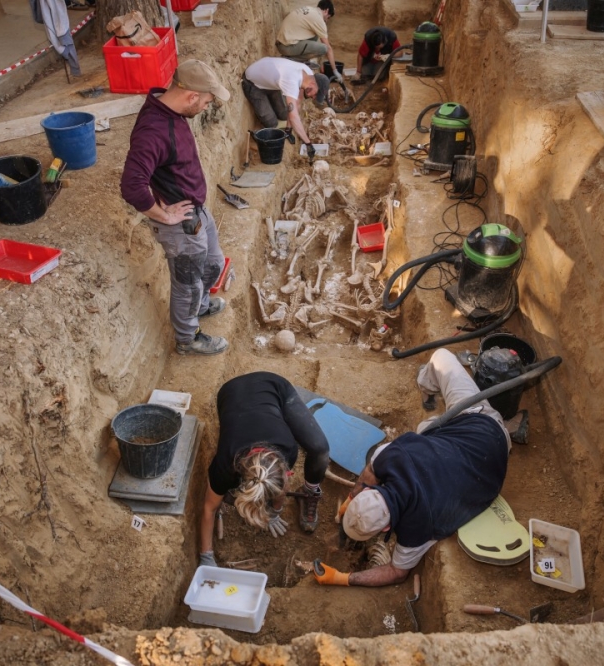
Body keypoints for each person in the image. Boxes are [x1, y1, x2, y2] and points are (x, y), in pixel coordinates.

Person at [314, 348, 511, 587]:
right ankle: (427, 386)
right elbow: (369, 473)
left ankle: (430, 393)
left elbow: (396, 572)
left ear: (387, 527)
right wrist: (351, 501)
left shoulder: (417, 529)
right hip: (482, 431)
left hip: (486, 438)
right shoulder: (394, 455)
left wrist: (342, 578)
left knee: (427, 426)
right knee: (441, 358)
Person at [120, 60, 231, 356]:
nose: (207, 107)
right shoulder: (153, 131)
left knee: (214, 264)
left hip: (195, 210)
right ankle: (187, 338)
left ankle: (202, 307)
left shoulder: (169, 108)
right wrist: (163, 214)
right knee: (189, 284)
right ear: (191, 96)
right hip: (180, 224)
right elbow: (132, 185)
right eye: (206, 102)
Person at [199, 372, 331, 567]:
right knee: (222, 493)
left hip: (274, 387)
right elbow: (209, 509)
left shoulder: (287, 448)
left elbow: (281, 484)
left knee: (320, 450)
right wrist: (206, 556)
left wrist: (275, 511)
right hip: (231, 391)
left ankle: (310, 492)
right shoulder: (225, 465)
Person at [242, 57, 329, 160]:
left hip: (271, 83)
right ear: (313, 84)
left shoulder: (307, 74)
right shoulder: (291, 81)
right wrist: (308, 143)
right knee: (271, 123)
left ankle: (270, 104)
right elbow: (294, 117)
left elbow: (297, 103)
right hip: (253, 82)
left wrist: (288, 129)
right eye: (316, 94)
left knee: (283, 114)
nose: (313, 97)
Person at [275, 0, 340, 82]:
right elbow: (328, 48)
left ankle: (301, 59)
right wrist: (335, 70)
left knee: (315, 34)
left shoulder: (310, 10)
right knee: (324, 49)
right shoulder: (319, 20)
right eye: (328, 17)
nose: (326, 20)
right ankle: (292, 59)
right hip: (286, 46)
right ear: (326, 11)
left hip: (282, 43)